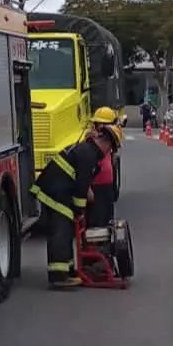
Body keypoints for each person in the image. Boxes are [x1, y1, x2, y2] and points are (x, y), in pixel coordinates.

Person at [31, 107, 119, 289]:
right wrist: (80, 210)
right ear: (105, 143)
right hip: (54, 190)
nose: (109, 151)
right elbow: (80, 189)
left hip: (58, 188)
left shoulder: (88, 150)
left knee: (67, 228)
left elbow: (81, 181)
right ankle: (58, 276)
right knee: (61, 230)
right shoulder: (89, 155)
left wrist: (86, 194)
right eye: (110, 147)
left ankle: (68, 270)